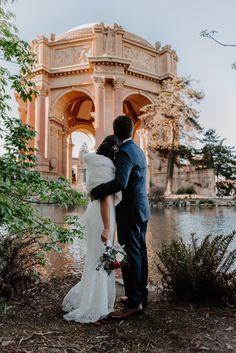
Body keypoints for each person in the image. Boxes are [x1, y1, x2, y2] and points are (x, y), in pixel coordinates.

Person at [90, 115, 150, 319]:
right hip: (142, 210)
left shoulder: (124, 152)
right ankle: (141, 295)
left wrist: (96, 191)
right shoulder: (138, 150)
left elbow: (120, 183)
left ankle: (134, 303)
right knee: (140, 253)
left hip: (129, 213)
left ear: (115, 132)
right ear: (131, 130)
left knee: (130, 256)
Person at [62, 135, 122, 323]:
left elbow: (100, 195)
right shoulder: (107, 166)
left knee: (96, 257)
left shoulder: (94, 163)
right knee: (101, 258)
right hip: (102, 215)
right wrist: (107, 228)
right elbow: (105, 197)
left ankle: (92, 298)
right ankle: (96, 304)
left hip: (93, 212)